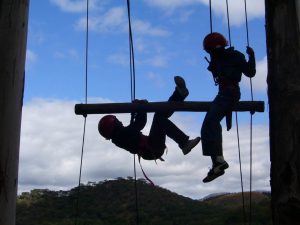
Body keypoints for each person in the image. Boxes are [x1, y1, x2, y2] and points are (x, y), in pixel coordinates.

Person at [98, 76, 201, 161]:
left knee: (159, 115)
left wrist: (139, 108)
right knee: (159, 119)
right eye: (116, 121)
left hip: (151, 147)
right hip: (152, 147)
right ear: (113, 126)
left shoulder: (120, 137)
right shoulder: (122, 135)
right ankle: (184, 143)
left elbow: (136, 126)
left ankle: (179, 94)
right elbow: (140, 123)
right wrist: (142, 106)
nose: (119, 121)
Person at [201, 32, 256, 183]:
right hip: (225, 93)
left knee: (210, 123)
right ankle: (217, 163)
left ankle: (218, 161)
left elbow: (250, 72)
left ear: (215, 48)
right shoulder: (220, 57)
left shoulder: (232, 56)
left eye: (210, 51)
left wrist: (251, 56)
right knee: (209, 124)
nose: (210, 53)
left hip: (229, 93)